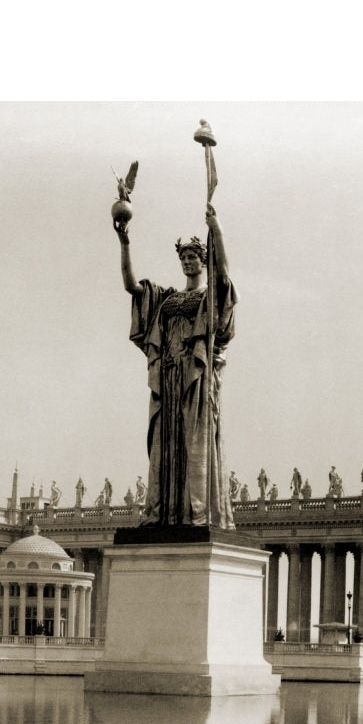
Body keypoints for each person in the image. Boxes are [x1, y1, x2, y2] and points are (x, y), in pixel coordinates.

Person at [116, 202, 236, 528]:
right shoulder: (166, 298)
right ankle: (163, 513)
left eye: (193, 257)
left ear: (203, 260)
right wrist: (124, 242)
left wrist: (218, 230)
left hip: (194, 379)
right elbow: (130, 285)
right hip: (168, 377)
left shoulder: (210, 296)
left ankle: (193, 514)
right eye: (183, 258)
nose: (187, 262)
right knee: (165, 446)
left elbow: (224, 278)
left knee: (194, 443)